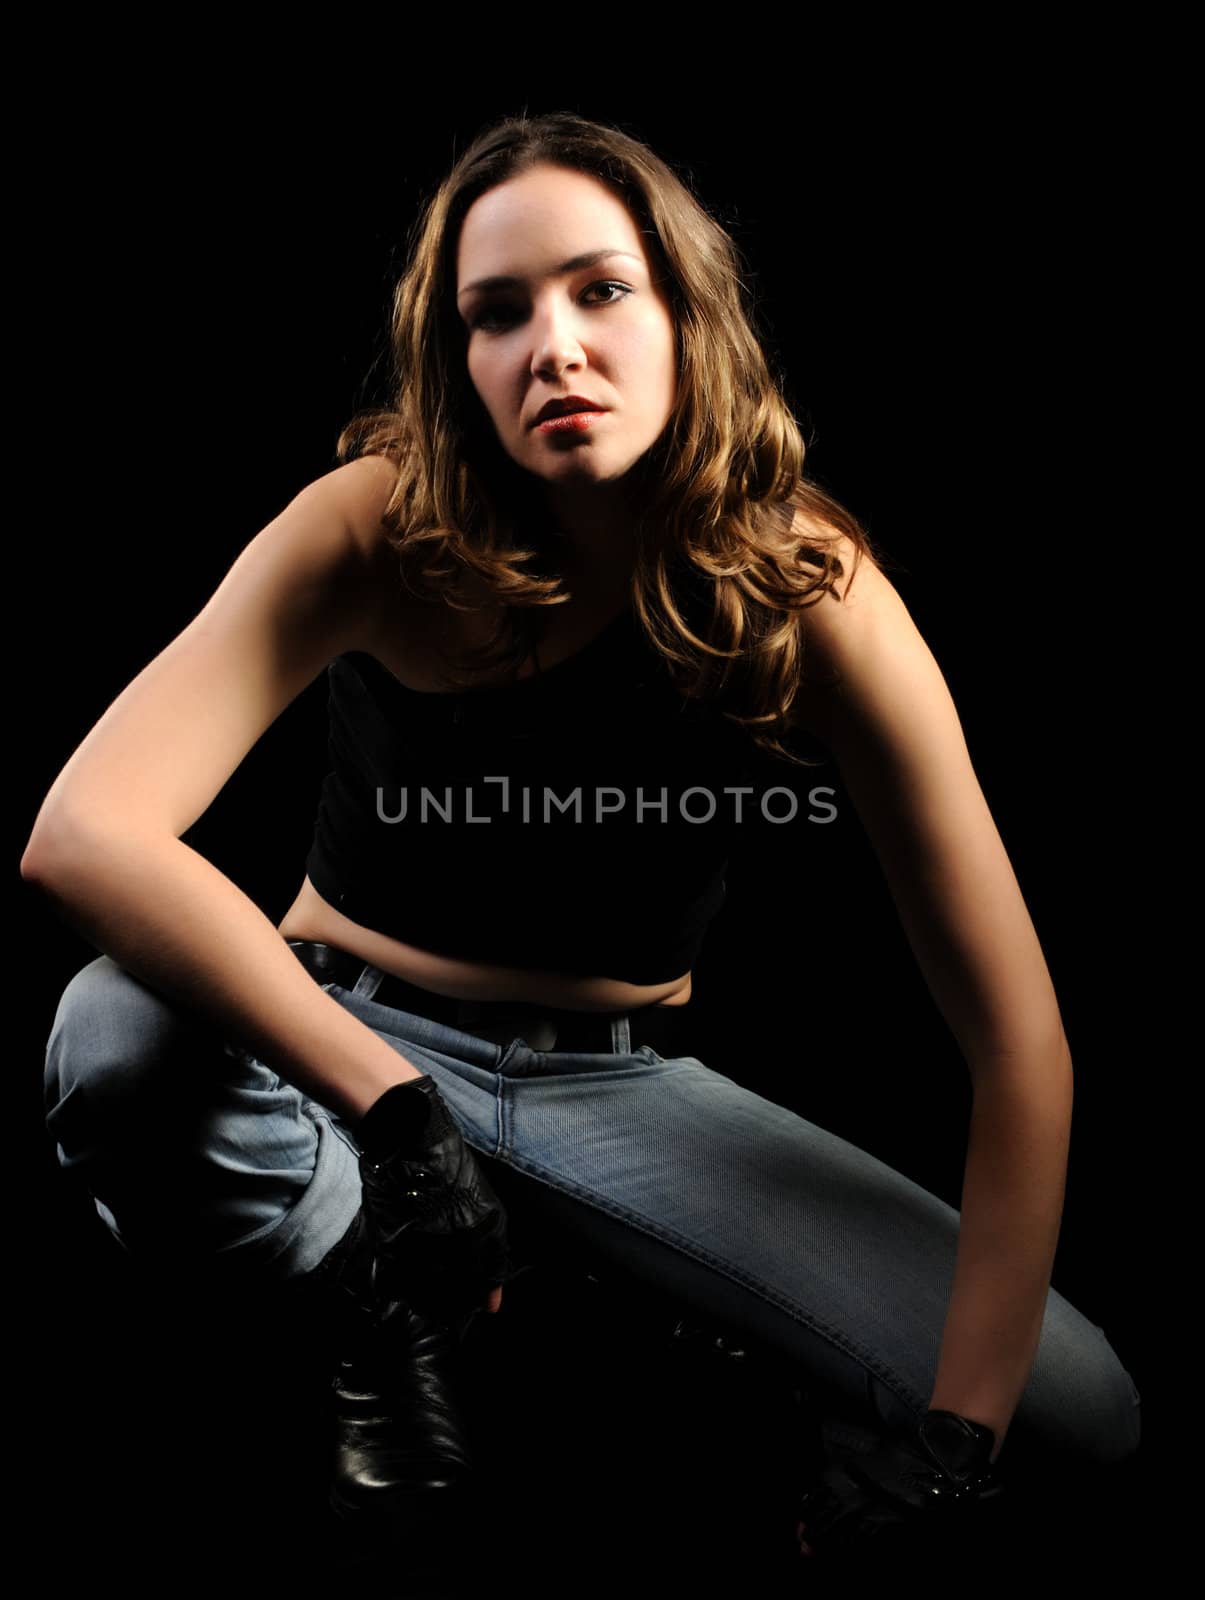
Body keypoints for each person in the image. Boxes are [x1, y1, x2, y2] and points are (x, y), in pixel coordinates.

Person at [26, 110, 1140, 1569]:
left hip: (614, 1097)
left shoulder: (814, 588)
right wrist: (398, 1119)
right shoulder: (371, 526)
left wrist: (956, 1443)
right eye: (497, 314)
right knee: (115, 1031)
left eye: (600, 290)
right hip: (345, 1052)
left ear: (688, 318)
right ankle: (401, 1268)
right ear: (456, 362)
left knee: (1079, 1411)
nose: (551, 345)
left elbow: (1017, 1046)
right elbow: (83, 832)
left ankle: (548, 1293)